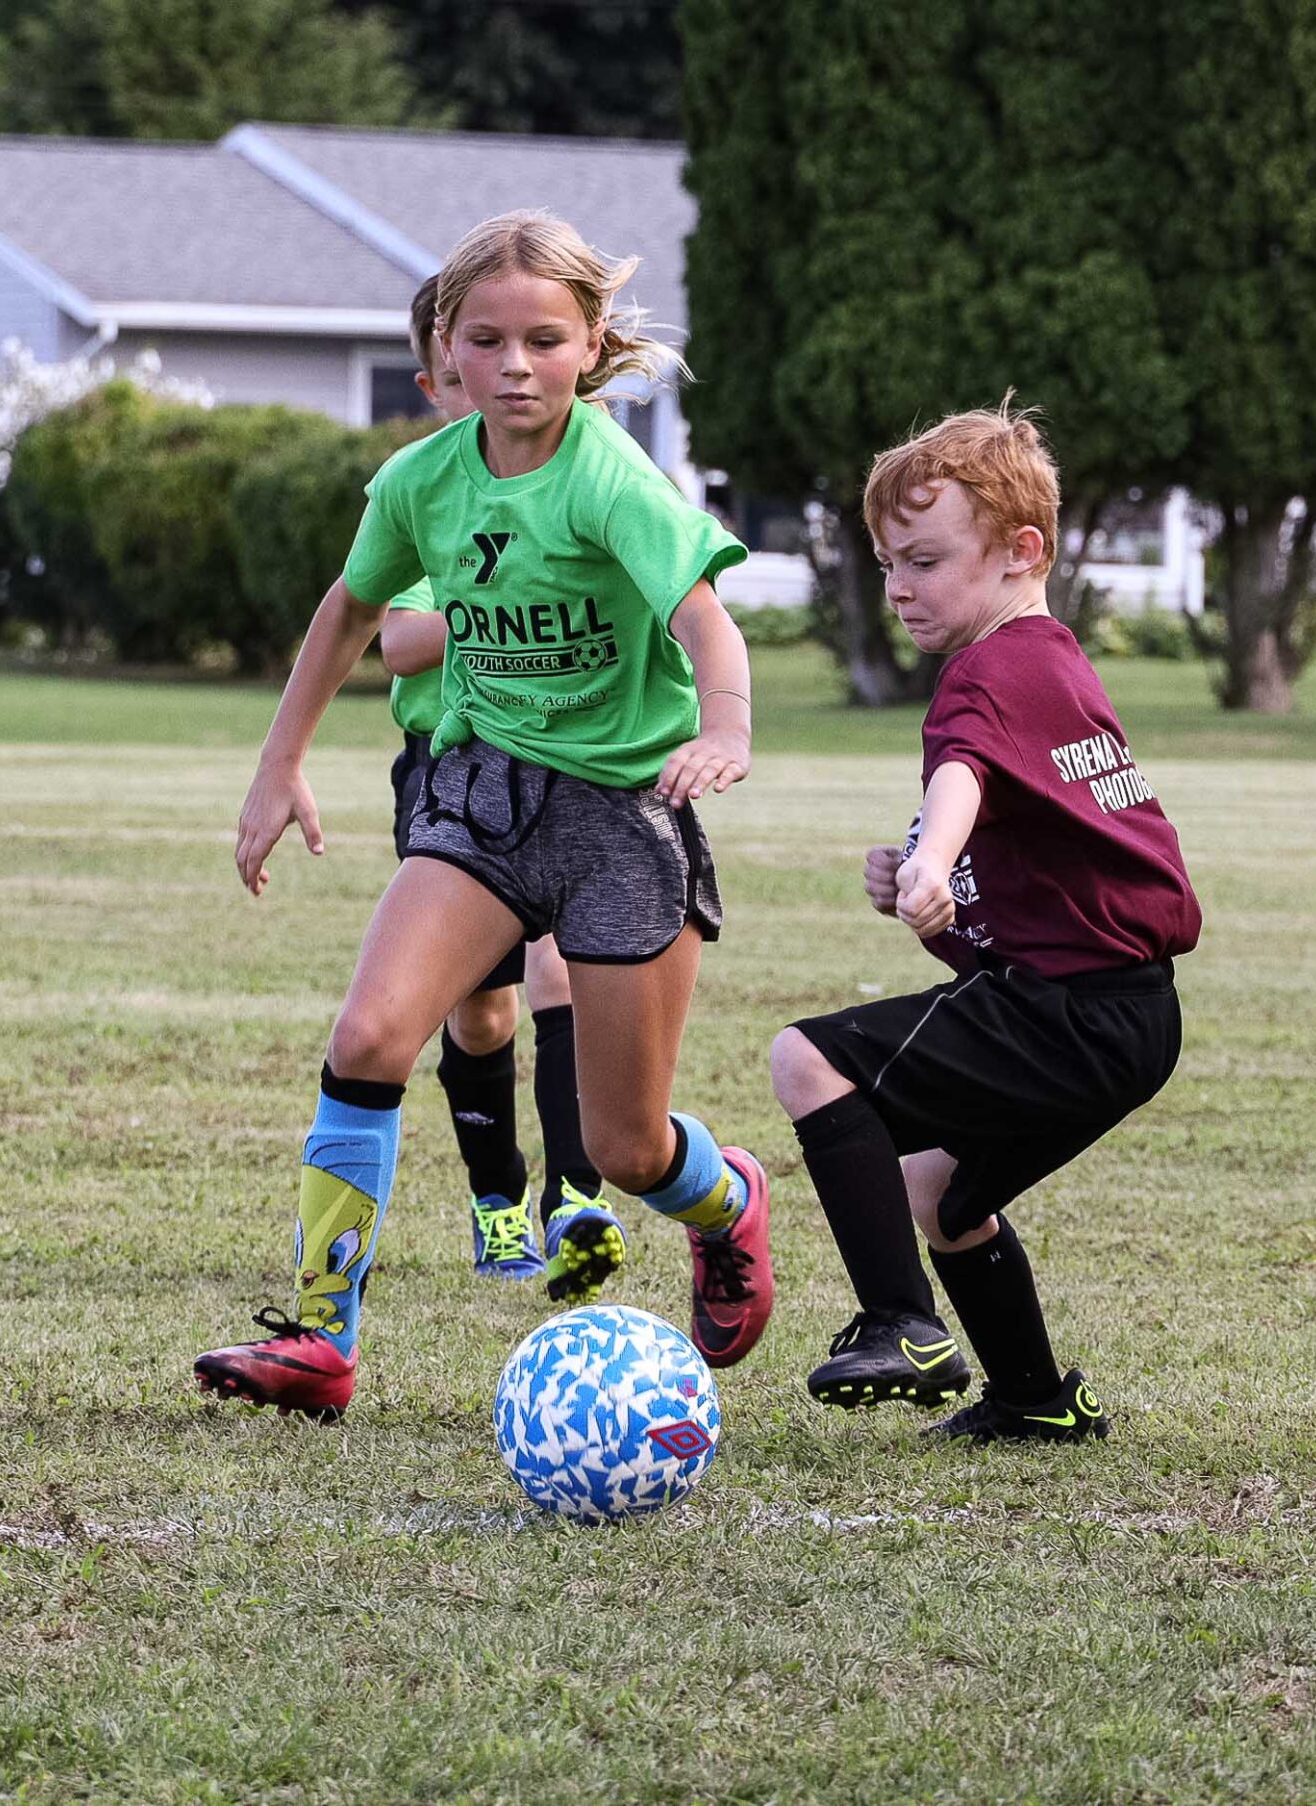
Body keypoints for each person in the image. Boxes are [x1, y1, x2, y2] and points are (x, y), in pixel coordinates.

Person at [196, 210, 774, 1422]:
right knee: (366, 1039)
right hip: (480, 797)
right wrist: (277, 763)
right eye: (488, 339)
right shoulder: (420, 482)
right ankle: (318, 1341)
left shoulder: (610, 477)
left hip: (625, 816)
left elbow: (704, 618)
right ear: (445, 352)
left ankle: (729, 1206)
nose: (516, 365)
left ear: (591, 346)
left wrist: (724, 726)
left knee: (623, 1150)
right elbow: (348, 615)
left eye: (545, 340)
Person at [767, 404, 1200, 1444]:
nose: (898, 587)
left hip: (1068, 1015)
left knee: (806, 1062)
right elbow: (1041, 873)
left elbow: (960, 772)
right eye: (885, 563)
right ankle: (1035, 1399)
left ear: (1021, 553)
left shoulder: (989, 671)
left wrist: (930, 854)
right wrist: (932, 890)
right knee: (941, 1191)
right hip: (1126, 1019)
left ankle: (902, 1324)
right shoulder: (1054, 665)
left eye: (923, 559)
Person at [380, 276, 612, 1287]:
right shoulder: (433, 506)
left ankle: (576, 1200)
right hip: (451, 783)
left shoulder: (576, 489)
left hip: (559, 769)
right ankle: (495, 1198)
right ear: (440, 381)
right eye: (467, 367)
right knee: (481, 1015)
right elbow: (394, 643)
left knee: (563, 969)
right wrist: (494, 603)